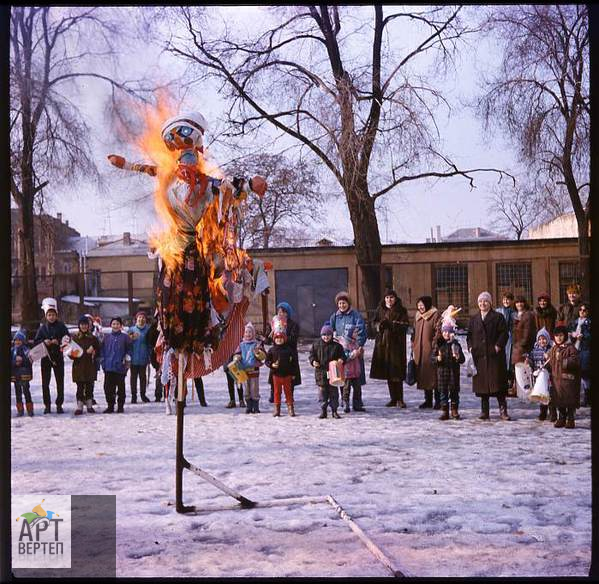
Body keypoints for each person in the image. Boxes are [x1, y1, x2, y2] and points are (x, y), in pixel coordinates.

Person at [466, 291, 511, 421]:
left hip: (494, 356)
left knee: (498, 385)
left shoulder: (498, 317)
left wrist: (498, 346)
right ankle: (484, 411)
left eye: (485, 301)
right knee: (483, 386)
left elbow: (504, 333)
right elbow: (469, 335)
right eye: (480, 301)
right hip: (479, 356)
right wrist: (470, 347)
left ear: (490, 303)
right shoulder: (474, 319)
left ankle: (503, 411)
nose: (482, 303)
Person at [370, 289, 410, 408]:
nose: (389, 300)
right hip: (383, 344)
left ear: (395, 299)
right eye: (387, 298)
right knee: (388, 372)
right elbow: (373, 323)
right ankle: (393, 398)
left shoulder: (401, 310)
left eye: (391, 297)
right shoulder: (380, 309)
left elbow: (405, 325)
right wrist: (379, 326)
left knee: (397, 372)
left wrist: (392, 325)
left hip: (396, 345)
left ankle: (400, 399)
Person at [34, 303, 70, 414]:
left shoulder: (62, 326)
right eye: (49, 315)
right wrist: (44, 342)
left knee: (60, 382)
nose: (51, 317)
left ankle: (59, 404)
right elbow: (36, 342)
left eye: (53, 315)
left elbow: (67, 339)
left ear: (56, 315)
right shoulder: (42, 328)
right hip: (46, 358)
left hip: (58, 358)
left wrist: (59, 341)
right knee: (45, 383)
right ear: (46, 316)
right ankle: (47, 405)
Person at [329, 291, 367, 388]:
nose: (342, 305)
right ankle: (344, 398)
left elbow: (361, 330)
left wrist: (359, 345)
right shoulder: (335, 316)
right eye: (340, 303)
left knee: (356, 373)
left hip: (354, 348)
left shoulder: (355, 315)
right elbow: (330, 330)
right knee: (342, 373)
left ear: (348, 303)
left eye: (344, 303)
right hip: (341, 349)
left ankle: (357, 399)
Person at [309, 324, 346, 419]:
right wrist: (313, 361)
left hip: (333, 373)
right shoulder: (316, 345)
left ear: (331, 335)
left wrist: (341, 360)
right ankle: (323, 410)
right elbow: (312, 355)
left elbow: (342, 356)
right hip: (321, 373)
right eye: (324, 335)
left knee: (334, 393)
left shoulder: (337, 346)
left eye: (328, 335)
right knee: (322, 393)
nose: (326, 337)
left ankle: (334, 410)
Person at [547, 326, 580, 428]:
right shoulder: (553, 349)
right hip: (556, 380)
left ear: (565, 336)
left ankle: (570, 419)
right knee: (559, 400)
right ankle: (561, 418)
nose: (558, 338)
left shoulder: (570, 348)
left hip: (568, 380)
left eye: (561, 335)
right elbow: (549, 362)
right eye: (556, 336)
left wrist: (563, 361)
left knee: (569, 401)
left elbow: (575, 361)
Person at [268, 302, 301, 402]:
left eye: (283, 312)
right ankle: (273, 394)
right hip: (277, 352)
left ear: (287, 313)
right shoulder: (275, 324)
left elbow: (293, 338)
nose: (280, 314)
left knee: (290, 374)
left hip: (289, 352)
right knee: (275, 372)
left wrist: (282, 337)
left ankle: (290, 395)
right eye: (279, 311)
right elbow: (270, 338)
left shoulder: (293, 325)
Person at [412, 295, 441, 409]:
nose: (420, 307)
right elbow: (414, 331)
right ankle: (427, 400)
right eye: (418, 305)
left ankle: (438, 401)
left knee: (434, 376)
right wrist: (413, 342)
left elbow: (438, 331)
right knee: (423, 376)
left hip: (431, 349)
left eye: (422, 305)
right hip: (419, 350)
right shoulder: (418, 316)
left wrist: (434, 344)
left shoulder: (435, 314)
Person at [432, 323, 465, 420]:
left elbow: (462, 359)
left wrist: (458, 357)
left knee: (454, 393)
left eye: (449, 331)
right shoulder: (439, 343)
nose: (446, 333)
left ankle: (454, 410)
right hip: (442, 373)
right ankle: (445, 411)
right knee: (443, 393)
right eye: (444, 331)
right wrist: (437, 358)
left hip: (453, 373)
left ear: (452, 333)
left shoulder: (456, 344)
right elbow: (432, 358)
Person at [69, 315, 101, 415]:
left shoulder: (93, 338)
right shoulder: (74, 338)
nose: (84, 327)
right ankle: (79, 406)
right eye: (82, 325)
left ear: (89, 326)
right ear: (79, 326)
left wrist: (94, 350)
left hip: (90, 366)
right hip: (78, 366)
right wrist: (73, 354)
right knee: (80, 387)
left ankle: (89, 405)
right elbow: (69, 352)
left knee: (89, 386)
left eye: (86, 325)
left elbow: (99, 351)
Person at [100, 317, 132, 413]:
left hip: (120, 367)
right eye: (114, 324)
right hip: (108, 367)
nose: (115, 326)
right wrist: (103, 362)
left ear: (121, 326)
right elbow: (102, 351)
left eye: (117, 324)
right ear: (111, 325)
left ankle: (120, 406)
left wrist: (127, 360)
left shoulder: (125, 338)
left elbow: (129, 350)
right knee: (108, 387)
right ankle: (110, 405)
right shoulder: (106, 338)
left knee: (121, 388)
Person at [232, 322, 266, 414]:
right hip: (244, 370)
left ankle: (256, 406)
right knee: (246, 388)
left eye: (250, 332)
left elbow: (263, 357)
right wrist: (236, 358)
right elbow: (237, 354)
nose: (248, 334)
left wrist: (258, 353)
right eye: (246, 332)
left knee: (254, 388)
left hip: (254, 370)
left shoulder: (256, 344)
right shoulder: (241, 344)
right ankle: (249, 406)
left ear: (253, 334)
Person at [265, 330, 297, 417]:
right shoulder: (272, 350)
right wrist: (271, 365)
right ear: (274, 340)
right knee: (276, 392)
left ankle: (290, 407)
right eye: (277, 338)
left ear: (284, 339)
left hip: (287, 374)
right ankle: (277, 408)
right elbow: (267, 361)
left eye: (281, 338)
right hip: (276, 375)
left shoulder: (289, 350)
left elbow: (294, 362)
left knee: (288, 392)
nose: (279, 340)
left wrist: (293, 373)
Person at [528, 328, 556, 422]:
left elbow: (554, 362)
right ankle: (543, 412)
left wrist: (549, 358)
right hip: (539, 376)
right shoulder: (535, 350)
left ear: (547, 339)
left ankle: (552, 412)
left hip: (549, 376)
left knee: (550, 394)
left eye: (544, 339)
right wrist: (528, 361)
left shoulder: (551, 349)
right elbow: (531, 360)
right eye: (539, 339)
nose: (542, 341)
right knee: (541, 394)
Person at [337, 324, 365, 413]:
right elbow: (345, 357)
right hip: (347, 371)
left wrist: (360, 353)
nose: (356, 334)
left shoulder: (355, 342)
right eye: (355, 332)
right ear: (349, 333)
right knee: (346, 389)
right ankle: (346, 403)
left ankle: (357, 405)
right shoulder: (344, 344)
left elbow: (358, 357)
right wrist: (354, 354)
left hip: (355, 370)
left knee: (357, 389)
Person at [569, 303, 591, 407]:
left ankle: (587, 398)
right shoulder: (575, 322)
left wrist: (584, 336)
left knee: (585, 374)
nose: (582, 311)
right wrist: (572, 334)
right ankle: (577, 398)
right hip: (575, 349)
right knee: (576, 374)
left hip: (585, 350)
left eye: (584, 310)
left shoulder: (589, 322)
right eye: (581, 310)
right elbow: (570, 332)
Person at [511, 296, 537, 376]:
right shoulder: (515, 315)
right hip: (517, 346)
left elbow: (528, 332)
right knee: (518, 370)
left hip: (523, 347)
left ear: (525, 303)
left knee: (523, 370)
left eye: (521, 302)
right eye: (517, 302)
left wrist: (522, 344)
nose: (519, 304)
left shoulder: (528, 315)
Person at [128, 311, 151, 403]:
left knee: (143, 377)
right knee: (133, 378)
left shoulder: (148, 330)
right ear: (136, 319)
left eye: (143, 318)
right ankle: (134, 396)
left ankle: (143, 394)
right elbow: (127, 344)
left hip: (143, 358)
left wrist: (149, 356)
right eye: (139, 318)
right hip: (133, 358)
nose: (141, 319)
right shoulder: (131, 329)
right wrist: (131, 338)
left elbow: (150, 344)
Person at [496, 291, 516, 392]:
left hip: (511, 338)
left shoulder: (514, 313)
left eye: (508, 299)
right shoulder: (499, 311)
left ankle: (510, 381)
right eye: (504, 299)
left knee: (509, 360)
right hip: (500, 337)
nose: (506, 301)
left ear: (512, 301)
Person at [11, 331, 34, 417]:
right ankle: (20, 409)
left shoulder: (26, 350)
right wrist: (14, 361)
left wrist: (22, 360)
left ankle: (30, 409)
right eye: (16, 340)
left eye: (19, 340)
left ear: (23, 341)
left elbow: (30, 361)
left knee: (26, 392)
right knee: (18, 393)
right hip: (15, 375)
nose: (17, 342)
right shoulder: (12, 351)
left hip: (25, 375)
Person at [146, 317, 163, 402]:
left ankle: (171, 394)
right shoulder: (153, 327)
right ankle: (158, 395)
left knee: (170, 375)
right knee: (159, 374)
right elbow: (149, 340)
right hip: (157, 354)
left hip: (169, 353)